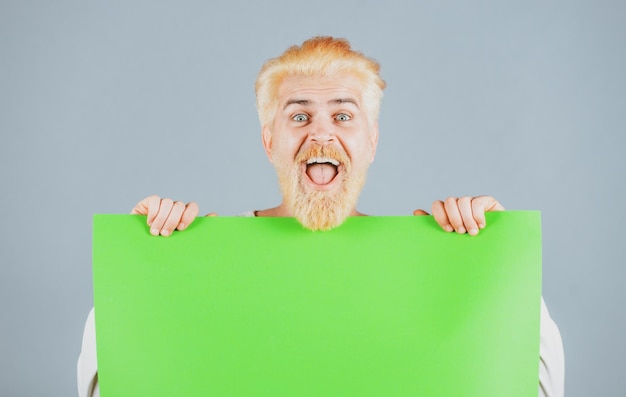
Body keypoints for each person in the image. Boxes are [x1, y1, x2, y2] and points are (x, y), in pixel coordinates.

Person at [77, 36, 565, 396]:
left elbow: (535, 386)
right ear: (270, 142)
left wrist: (496, 266)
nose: (322, 134)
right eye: (299, 115)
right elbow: (106, 384)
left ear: (371, 141)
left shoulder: (431, 257)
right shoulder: (199, 255)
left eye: (343, 115)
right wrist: (149, 260)